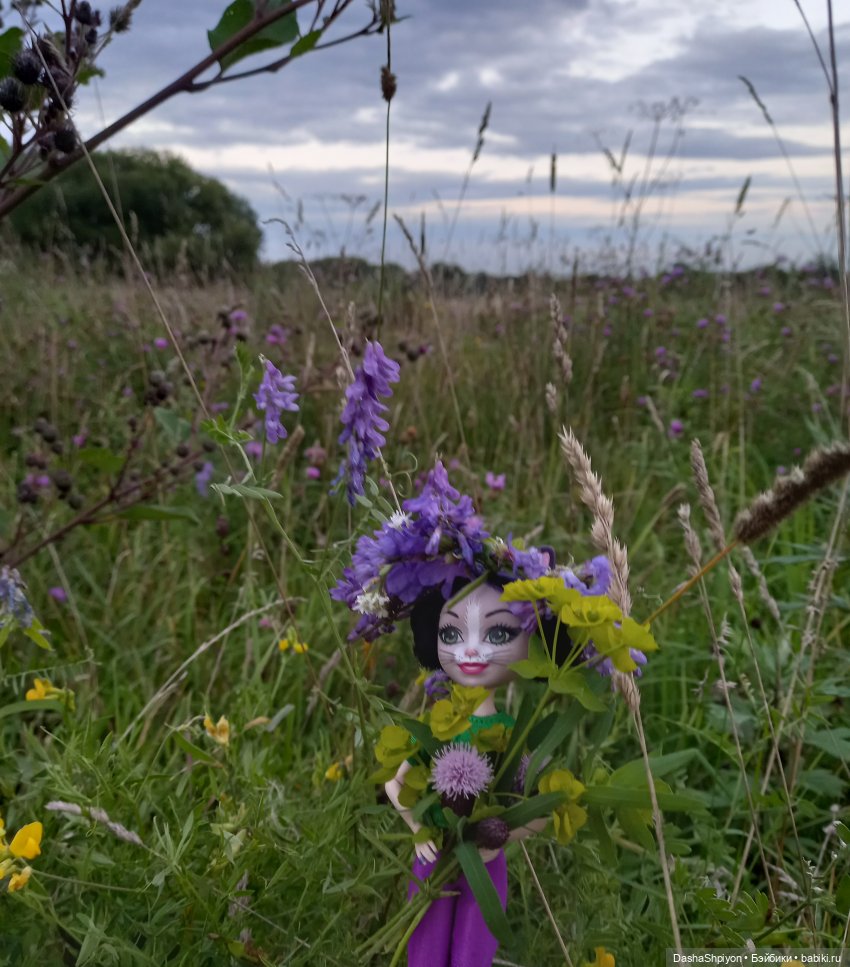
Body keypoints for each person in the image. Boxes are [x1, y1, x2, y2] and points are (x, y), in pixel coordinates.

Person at [384, 579, 550, 967]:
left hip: (486, 867)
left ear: (532, 643)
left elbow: (543, 810)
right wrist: (415, 829)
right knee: (423, 950)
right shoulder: (439, 725)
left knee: (473, 954)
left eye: (497, 633)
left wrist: (503, 836)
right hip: (434, 856)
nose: (471, 649)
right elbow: (395, 782)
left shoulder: (511, 734)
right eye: (451, 633)